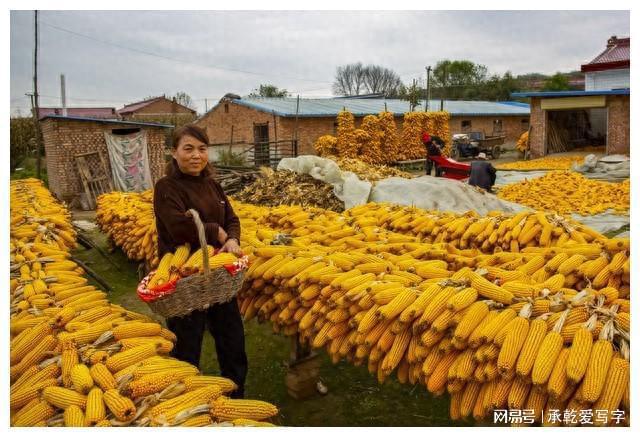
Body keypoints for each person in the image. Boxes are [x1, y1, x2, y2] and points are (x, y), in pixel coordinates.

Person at [153, 124, 247, 398]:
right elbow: (177, 228)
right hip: (184, 281)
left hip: (217, 279)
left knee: (233, 341)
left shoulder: (212, 185)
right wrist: (214, 232)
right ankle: (186, 402)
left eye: (202, 149)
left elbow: (232, 218)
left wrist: (232, 238)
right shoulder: (166, 187)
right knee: (186, 347)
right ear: (174, 152)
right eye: (188, 149)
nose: (196, 155)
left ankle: (236, 395)